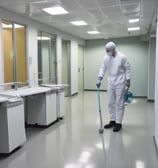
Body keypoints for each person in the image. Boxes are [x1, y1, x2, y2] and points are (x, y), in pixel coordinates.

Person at [96, 41, 131, 132]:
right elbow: (103, 68)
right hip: (111, 82)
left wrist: (128, 80)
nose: (107, 52)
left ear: (113, 49)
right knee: (110, 102)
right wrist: (99, 78)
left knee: (119, 102)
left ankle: (118, 123)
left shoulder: (122, 57)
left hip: (120, 82)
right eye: (106, 50)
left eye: (108, 50)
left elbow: (127, 69)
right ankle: (112, 121)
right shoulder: (106, 58)